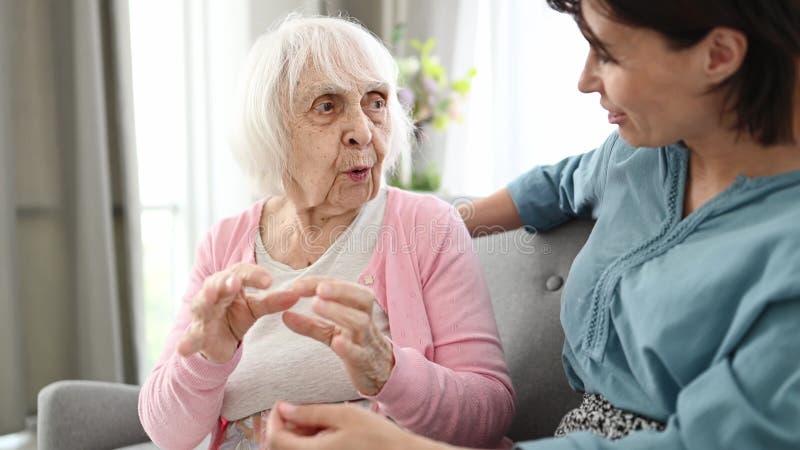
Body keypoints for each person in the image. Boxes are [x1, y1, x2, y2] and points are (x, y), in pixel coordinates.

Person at [261, 0, 800, 449]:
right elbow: (555, 186)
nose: (585, 80)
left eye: (608, 53)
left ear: (719, 55)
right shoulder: (641, 154)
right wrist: (433, 225)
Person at [138, 15, 514, 450]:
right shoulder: (223, 243)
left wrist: (390, 372)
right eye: (327, 106)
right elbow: (167, 434)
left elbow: (490, 413)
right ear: (273, 129)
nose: (362, 131)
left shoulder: (426, 227)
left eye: (375, 102)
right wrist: (208, 356)